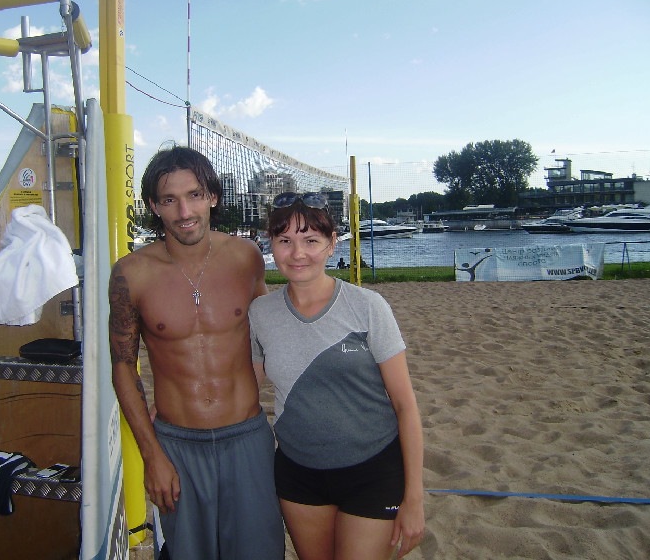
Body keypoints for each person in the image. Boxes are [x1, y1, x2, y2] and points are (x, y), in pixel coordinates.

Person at [108, 146, 285, 560]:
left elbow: (268, 334)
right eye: (169, 200)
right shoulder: (131, 273)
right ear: (154, 206)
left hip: (246, 437)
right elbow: (123, 367)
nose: (184, 211)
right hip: (177, 447)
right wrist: (152, 455)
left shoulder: (245, 258)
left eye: (194, 195)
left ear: (213, 197)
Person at [249, 192, 425, 560]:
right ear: (271, 245)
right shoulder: (261, 313)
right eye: (285, 241)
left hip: (373, 470)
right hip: (299, 472)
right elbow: (244, 387)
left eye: (311, 240)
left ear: (332, 244)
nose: (298, 253)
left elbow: (405, 405)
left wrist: (414, 498)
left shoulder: (367, 306)